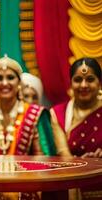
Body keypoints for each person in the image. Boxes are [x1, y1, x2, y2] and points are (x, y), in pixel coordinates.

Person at [0, 55, 56, 200]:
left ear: (19, 82)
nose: (4, 83)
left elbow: (45, 160)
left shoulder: (36, 114)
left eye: (10, 77)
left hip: (26, 189)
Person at [50, 57, 102, 200]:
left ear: (100, 83)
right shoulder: (58, 114)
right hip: (71, 186)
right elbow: (64, 156)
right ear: (71, 83)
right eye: (78, 79)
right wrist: (84, 163)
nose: (83, 85)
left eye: (90, 79)